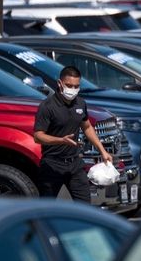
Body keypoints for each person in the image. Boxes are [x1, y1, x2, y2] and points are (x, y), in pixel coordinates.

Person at [33, 65, 112, 199]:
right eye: (69, 86)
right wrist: (61, 140)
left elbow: (87, 127)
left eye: (76, 86)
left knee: (84, 204)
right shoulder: (47, 106)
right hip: (53, 164)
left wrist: (102, 151)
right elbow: (38, 136)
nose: (73, 90)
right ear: (60, 83)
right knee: (47, 205)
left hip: (75, 162)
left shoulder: (80, 103)